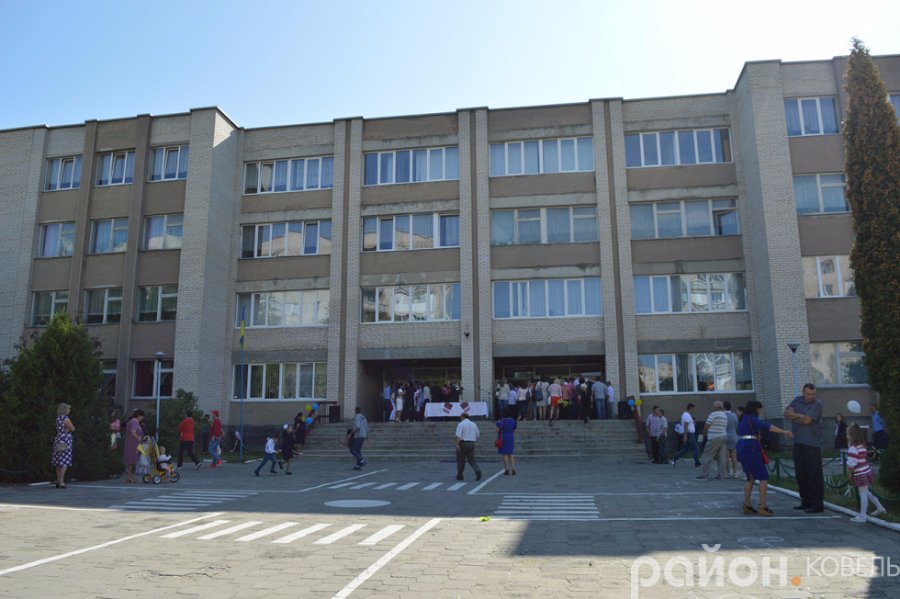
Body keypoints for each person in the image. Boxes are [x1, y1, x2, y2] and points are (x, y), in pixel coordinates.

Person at [737, 400, 793, 515]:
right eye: (759, 409)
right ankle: (762, 506)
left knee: (750, 477)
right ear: (755, 408)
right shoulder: (752, 418)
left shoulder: (743, 418)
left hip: (741, 447)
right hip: (751, 448)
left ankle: (746, 504)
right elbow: (767, 426)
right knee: (763, 477)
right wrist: (783, 431)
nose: (760, 411)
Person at [784, 383, 824, 513]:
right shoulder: (797, 400)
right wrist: (801, 416)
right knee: (801, 474)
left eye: (813, 394)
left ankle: (817, 504)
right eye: (808, 394)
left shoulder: (817, 404)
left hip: (812, 444)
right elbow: (786, 413)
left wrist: (795, 416)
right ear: (803, 392)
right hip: (798, 442)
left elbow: (808, 421)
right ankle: (805, 501)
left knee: (814, 475)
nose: (811, 396)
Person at [846, 423, 887, 522]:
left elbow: (852, 464)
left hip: (860, 473)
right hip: (866, 471)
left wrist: (849, 474)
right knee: (866, 492)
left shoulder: (853, 448)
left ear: (853, 436)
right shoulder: (862, 446)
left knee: (863, 494)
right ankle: (880, 508)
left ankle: (862, 516)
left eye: (848, 434)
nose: (846, 436)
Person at [697, 401, 729, 480]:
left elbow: (706, 425)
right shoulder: (724, 415)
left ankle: (704, 474)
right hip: (723, 436)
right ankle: (722, 475)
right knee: (721, 456)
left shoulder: (713, 414)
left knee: (706, 455)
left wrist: (704, 433)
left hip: (714, 436)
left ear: (715, 407)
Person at [50, 403, 75, 489]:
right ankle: (61, 481)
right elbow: (73, 428)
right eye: (68, 409)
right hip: (65, 440)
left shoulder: (58, 418)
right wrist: (68, 429)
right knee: (64, 460)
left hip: (59, 439)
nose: (69, 410)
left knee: (59, 460)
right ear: (64, 410)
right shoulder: (66, 418)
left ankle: (58, 480)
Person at [671, 403, 701, 468]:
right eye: (693, 409)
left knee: (687, 448)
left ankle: (675, 457)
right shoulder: (686, 415)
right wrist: (685, 436)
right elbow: (685, 426)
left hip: (689, 433)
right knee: (696, 447)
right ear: (690, 408)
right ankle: (697, 463)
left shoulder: (687, 415)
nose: (694, 410)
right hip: (689, 433)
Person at [455, 412, 482, 481]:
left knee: (461, 459)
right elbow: (478, 434)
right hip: (472, 443)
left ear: (463, 417)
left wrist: (457, 444)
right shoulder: (474, 424)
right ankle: (477, 470)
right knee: (472, 459)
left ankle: (460, 475)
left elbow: (458, 436)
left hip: (463, 443)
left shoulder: (461, 424)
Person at [123, 409, 145, 483]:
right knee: (131, 460)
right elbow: (133, 431)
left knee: (132, 460)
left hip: (133, 443)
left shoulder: (134, 421)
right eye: (142, 416)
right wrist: (138, 437)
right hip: (132, 443)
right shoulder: (134, 421)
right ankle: (129, 477)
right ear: (139, 416)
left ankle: (130, 476)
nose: (142, 418)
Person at [496, 408, 518, 475]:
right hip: (511, 437)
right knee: (510, 453)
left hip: (503, 438)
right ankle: (513, 468)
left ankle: (506, 469)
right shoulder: (513, 421)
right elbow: (514, 429)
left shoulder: (501, 421)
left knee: (504, 454)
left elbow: (497, 430)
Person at [724, 401, 741, 478]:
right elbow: (737, 427)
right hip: (734, 437)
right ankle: (735, 473)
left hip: (725, 436)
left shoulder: (723, 415)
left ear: (724, 407)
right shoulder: (734, 415)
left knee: (726, 456)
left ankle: (727, 472)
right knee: (734, 456)